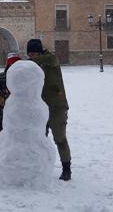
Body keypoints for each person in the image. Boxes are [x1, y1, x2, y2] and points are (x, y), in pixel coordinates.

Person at [27, 38, 72, 181]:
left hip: (57, 107)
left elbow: (50, 60)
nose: (32, 57)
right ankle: (41, 167)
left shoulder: (51, 59)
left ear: (39, 52)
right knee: (40, 139)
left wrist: (30, 62)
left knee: (60, 139)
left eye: (34, 54)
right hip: (40, 108)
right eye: (30, 54)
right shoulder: (33, 65)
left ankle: (66, 169)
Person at [0, 52, 21, 137]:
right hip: (2, 113)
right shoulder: (0, 77)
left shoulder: (23, 78)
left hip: (18, 114)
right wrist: (3, 96)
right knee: (1, 136)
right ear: (8, 65)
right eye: (12, 64)